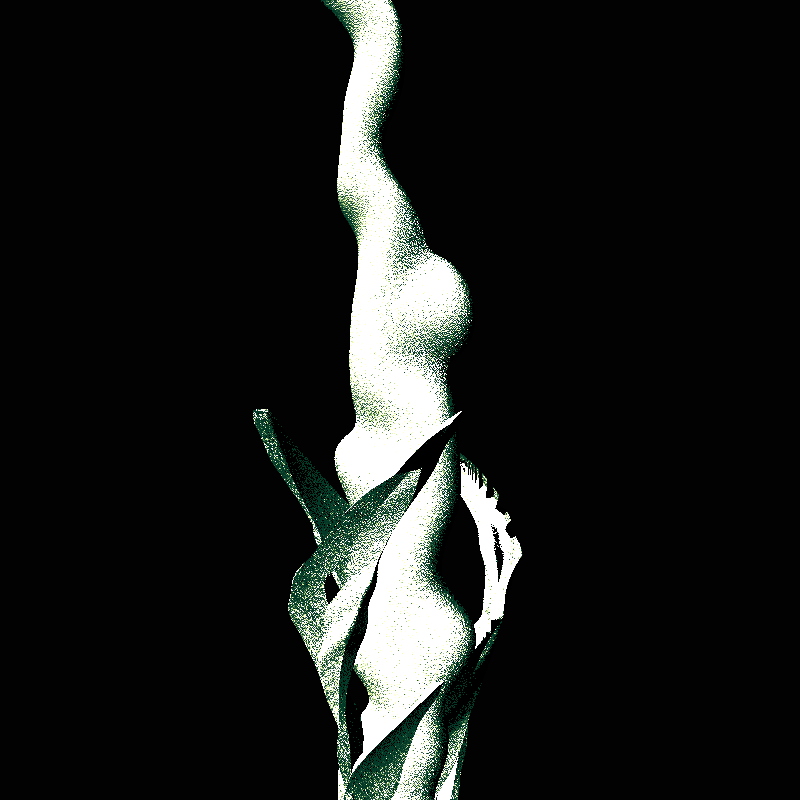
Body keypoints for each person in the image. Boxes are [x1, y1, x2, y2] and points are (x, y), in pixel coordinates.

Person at [254, 2, 521, 797]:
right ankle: (374, 23)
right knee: (362, 183)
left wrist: (494, 556)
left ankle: (375, 24)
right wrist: (493, 557)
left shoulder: (401, 767)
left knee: (365, 187)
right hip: (417, 640)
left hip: (424, 638)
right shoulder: (396, 773)